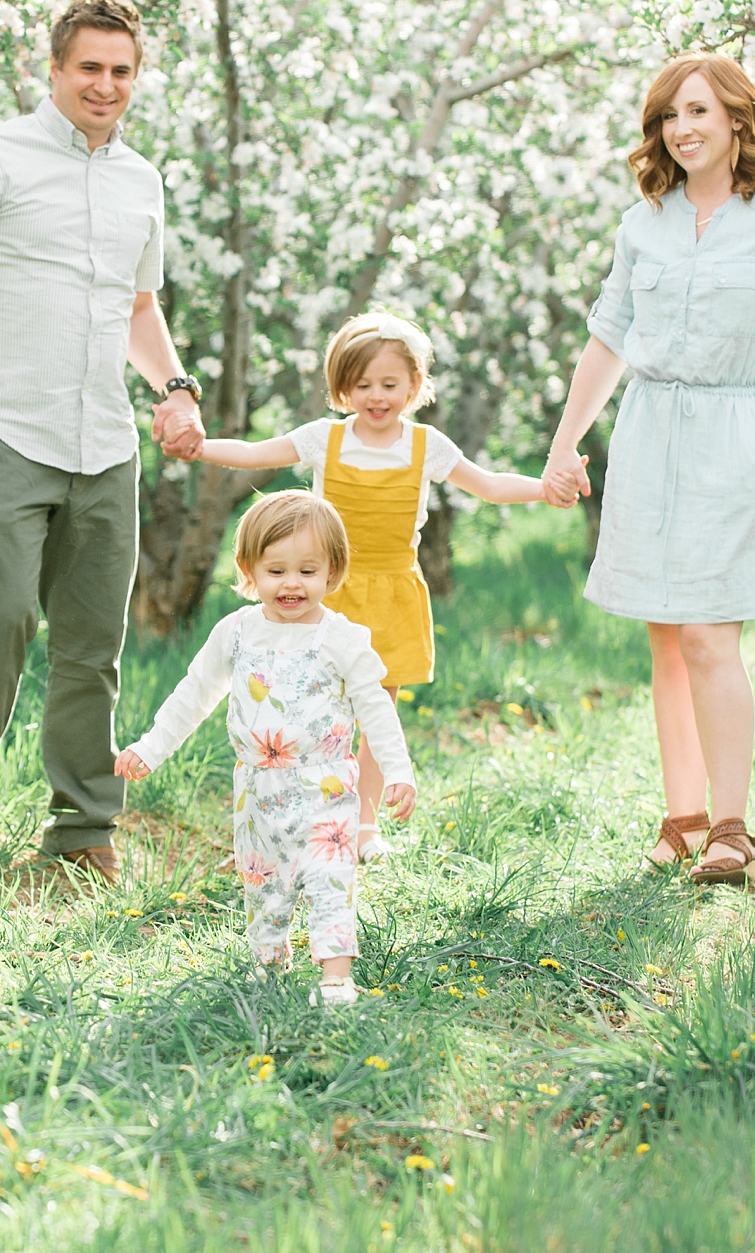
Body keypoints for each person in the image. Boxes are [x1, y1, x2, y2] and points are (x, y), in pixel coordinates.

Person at [0, 0, 206, 882]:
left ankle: (83, 824)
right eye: (90, 68)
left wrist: (177, 387)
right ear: (55, 68)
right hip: (6, 428)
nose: (105, 85)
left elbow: (140, 309)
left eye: (122, 71)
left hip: (105, 444)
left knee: (92, 642)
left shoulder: (141, 181)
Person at [540, 50, 755, 888]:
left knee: (714, 635)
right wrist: (567, 443)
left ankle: (732, 827)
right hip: (649, 433)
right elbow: (608, 337)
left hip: (737, 432)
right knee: (668, 638)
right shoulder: (644, 223)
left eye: (701, 112)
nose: (684, 130)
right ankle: (683, 816)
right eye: (671, 116)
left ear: (739, 121)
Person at [194, 312, 551, 862]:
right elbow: (253, 452)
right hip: (324, 591)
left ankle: (361, 827)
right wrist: (198, 446)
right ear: (341, 386)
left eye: (389, 385)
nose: (376, 397)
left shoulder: (426, 445)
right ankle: (284, 813)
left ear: (414, 384)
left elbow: (491, 486)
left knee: (377, 709)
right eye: (362, 385)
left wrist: (548, 489)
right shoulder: (326, 438)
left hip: (392, 593)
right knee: (302, 704)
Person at [115, 492, 418, 1004]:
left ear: (332, 571)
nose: (291, 584)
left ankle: (335, 978)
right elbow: (194, 694)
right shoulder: (236, 633)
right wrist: (151, 747)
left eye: (307, 570)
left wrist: (398, 771)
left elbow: (376, 709)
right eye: (276, 570)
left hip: (326, 786)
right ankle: (268, 965)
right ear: (249, 569)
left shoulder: (342, 638)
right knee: (263, 883)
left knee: (331, 878)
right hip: (258, 789)